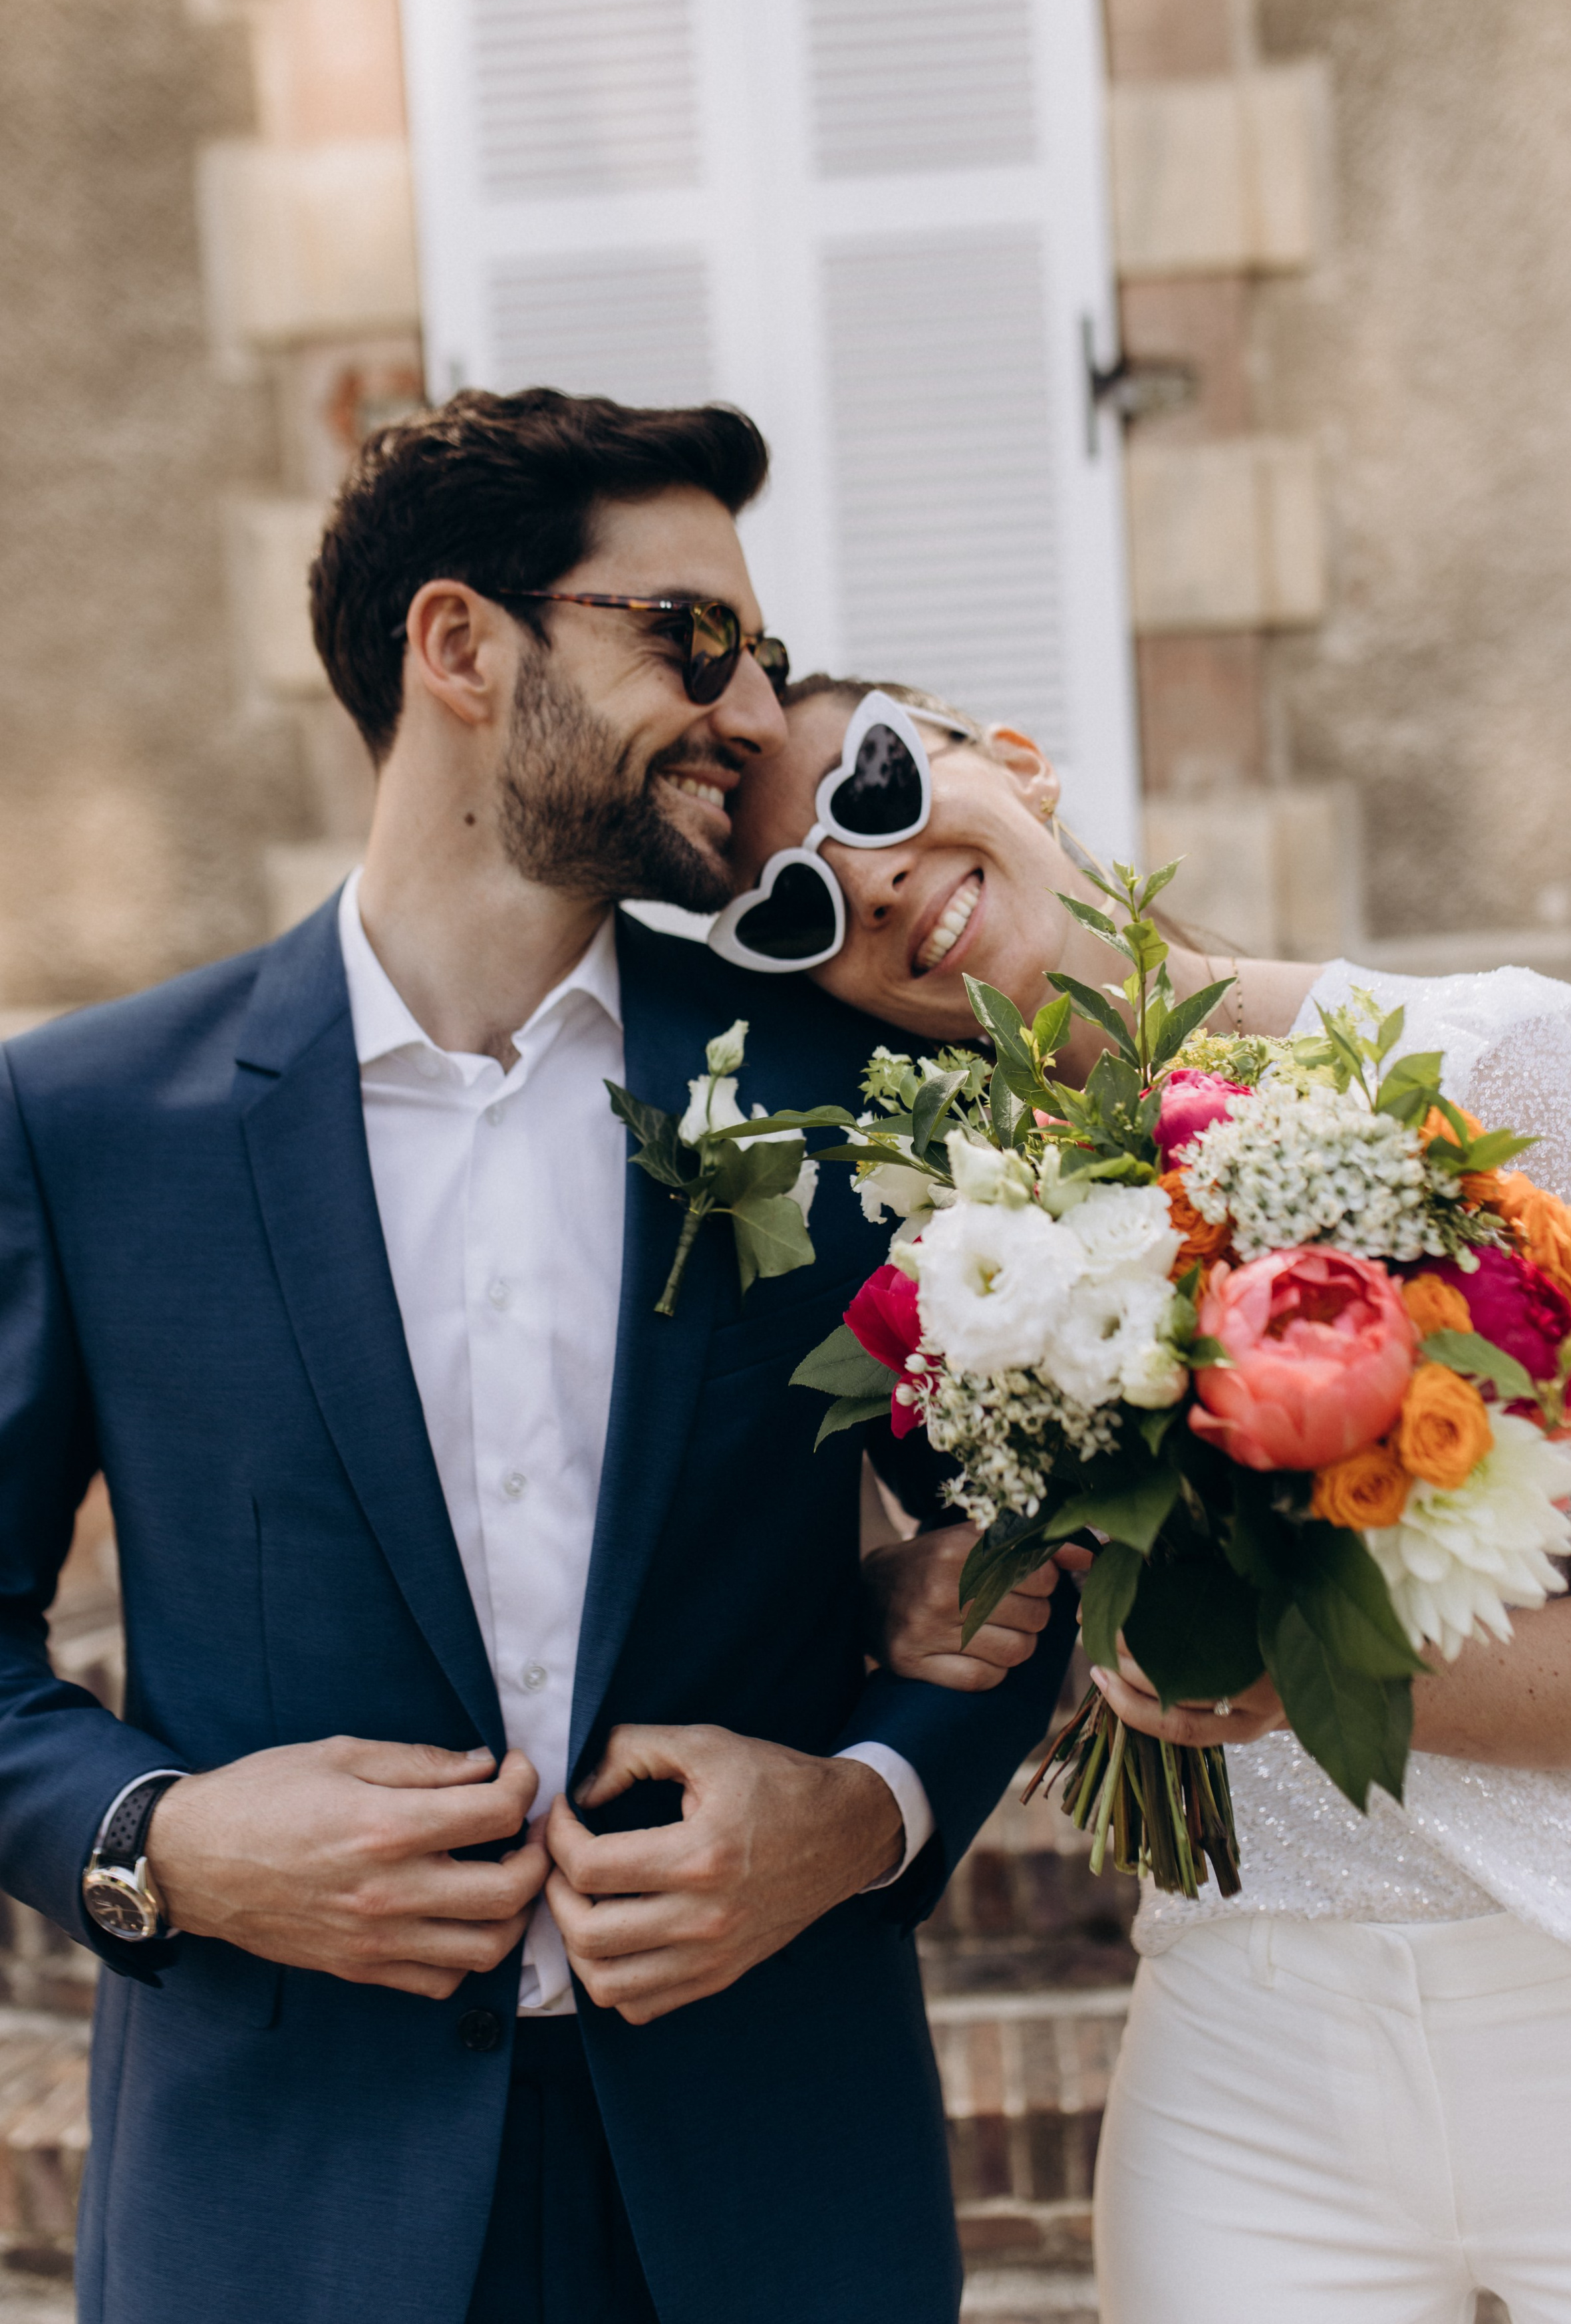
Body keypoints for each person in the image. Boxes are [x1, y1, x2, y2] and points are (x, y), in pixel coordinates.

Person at [0, 398, 1074, 2324]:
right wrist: (166, 1846)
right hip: (283, 2203)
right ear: (462, 646)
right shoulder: (85, 1124)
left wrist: (863, 1812)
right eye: (692, 638)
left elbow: (1042, 1536)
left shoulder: (851, 1081)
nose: (752, 718)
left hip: (772, 2178)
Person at [726, 671, 1571, 2323]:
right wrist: (903, 1588)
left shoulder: (1511, 1057)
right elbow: (1005, 1580)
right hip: (1245, 2044)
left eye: (877, 784)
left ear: (1016, 762)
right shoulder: (954, 1247)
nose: (873, 875)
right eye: (797, 902)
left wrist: (1304, 1673)